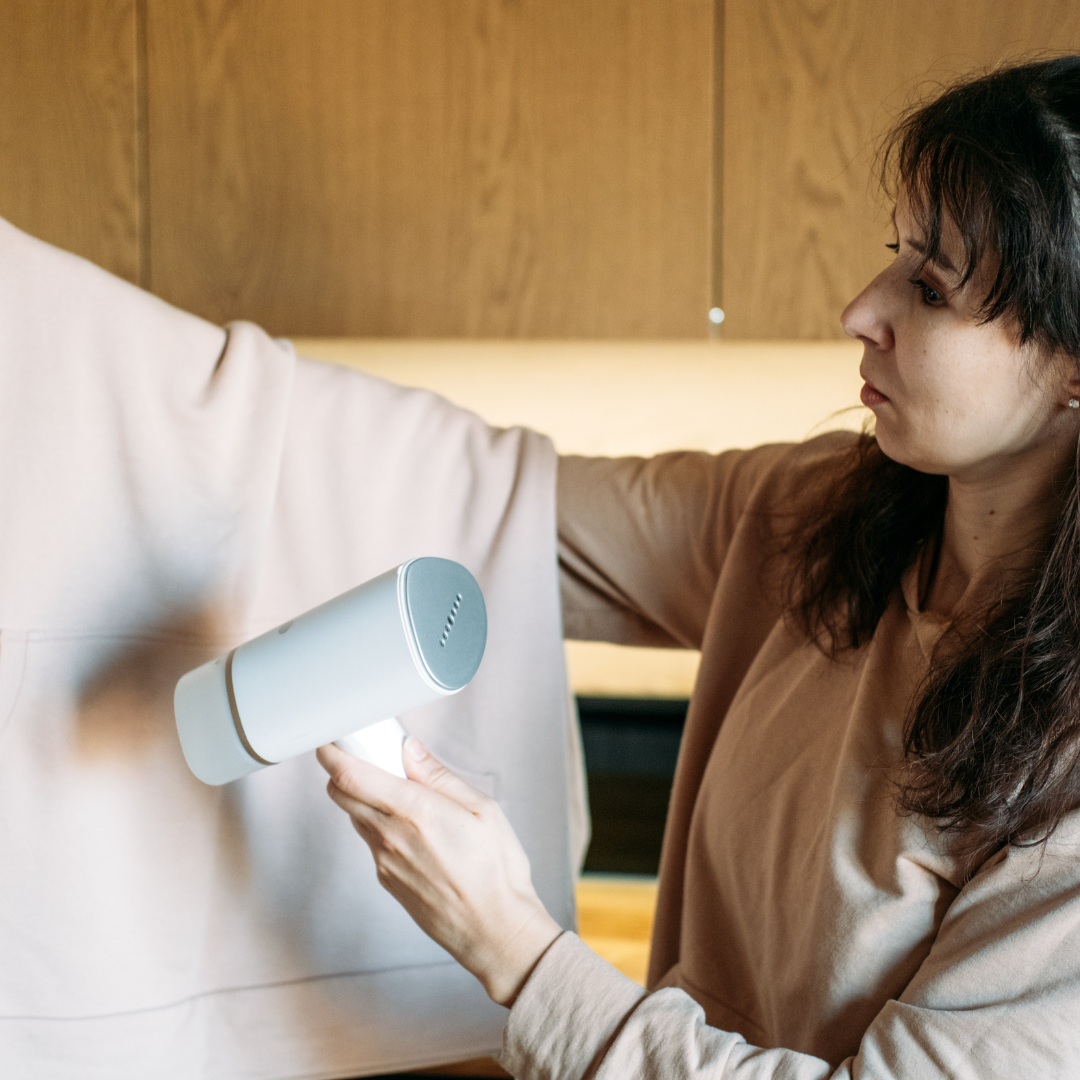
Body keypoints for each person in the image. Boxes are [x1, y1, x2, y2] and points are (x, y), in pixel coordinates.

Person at [316, 57, 1080, 1078]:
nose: (861, 310)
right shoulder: (817, 515)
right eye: (894, 255)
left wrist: (517, 952)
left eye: (931, 286)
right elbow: (496, 511)